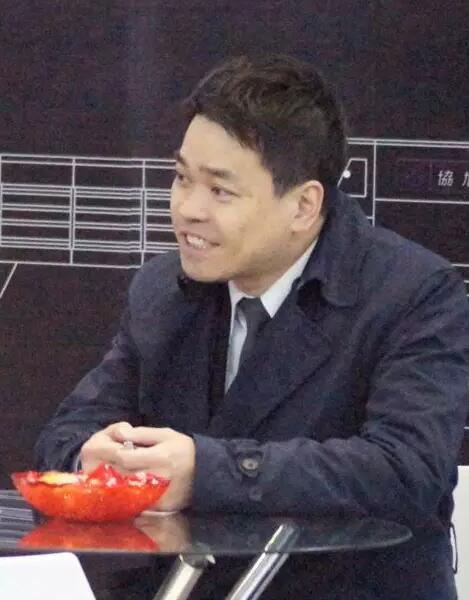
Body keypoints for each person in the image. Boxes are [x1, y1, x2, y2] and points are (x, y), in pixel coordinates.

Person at [35, 55, 469, 599]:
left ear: (304, 205)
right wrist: (91, 457)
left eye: (220, 191)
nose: (187, 210)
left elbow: (405, 471)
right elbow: (68, 431)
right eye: (181, 178)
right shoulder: (163, 289)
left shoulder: (414, 293)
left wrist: (208, 472)